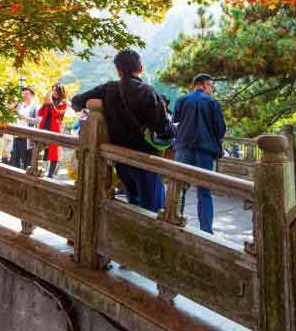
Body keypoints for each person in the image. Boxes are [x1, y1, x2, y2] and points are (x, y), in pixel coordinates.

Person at [71, 50, 174, 213]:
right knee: (152, 209)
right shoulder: (148, 92)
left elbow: (76, 101)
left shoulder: (108, 89)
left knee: (133, 203)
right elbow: (164, 129)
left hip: (119, 157)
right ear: (140, 68)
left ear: (118, 70)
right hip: (145, 159)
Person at [172, 74, 226, 234]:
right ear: (203, 85)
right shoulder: (212, 102)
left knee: (179, 187)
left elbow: (175, 123)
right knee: (204, 190)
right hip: (205, 151)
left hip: (183, 149)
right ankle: (206, 230)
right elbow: (220, 129)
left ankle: (174, 220)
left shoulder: (181, 100)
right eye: (211, 86)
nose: (211, 90)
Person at [38, 84, 68, 178]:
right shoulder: (48, 101)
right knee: (41, 149)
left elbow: (56, 114)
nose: (53, 92)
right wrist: (44, 103)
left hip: (55, 130)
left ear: (60, 92)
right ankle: (39, 170)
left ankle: (50, 175)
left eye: (55, 90)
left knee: (54, 153)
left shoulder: (63, 103)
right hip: (44, 128)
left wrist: (51, 103)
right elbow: (40, 113)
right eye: (53, 90)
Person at [10, 87, 39, 169]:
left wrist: (25, 118)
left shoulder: (35, 107)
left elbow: (38, 121)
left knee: (26, 160)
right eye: (23, 93)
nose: (24, 95)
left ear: (32, 95)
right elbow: (11, 114)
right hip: (16, 134)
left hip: (27, 137)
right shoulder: (19, 105)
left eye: (26, 93)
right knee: (14, 159)